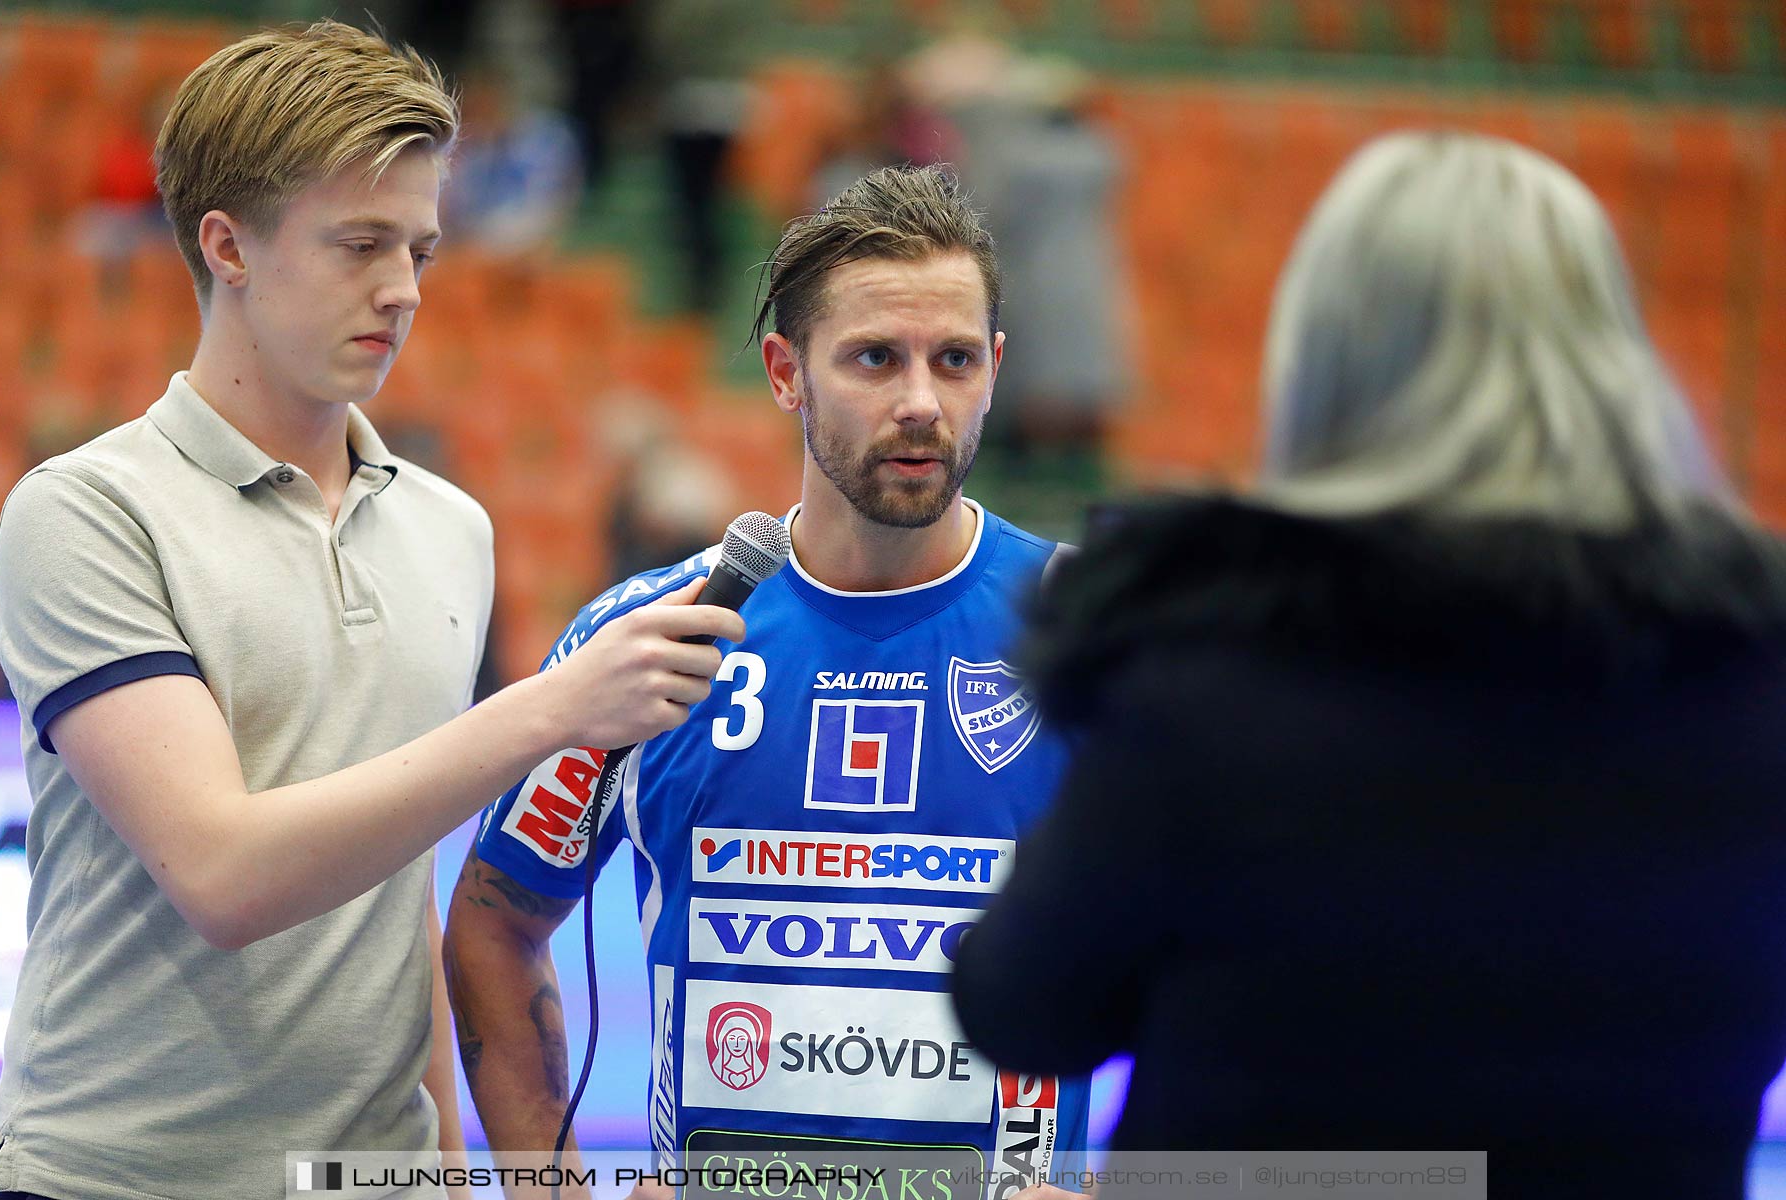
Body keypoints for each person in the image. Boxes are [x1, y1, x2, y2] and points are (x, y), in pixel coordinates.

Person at [950, 131, 1786, 1199]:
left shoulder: (1209, 675)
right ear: (1613, 347)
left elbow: (1026, 1006)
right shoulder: (1753, 678)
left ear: (1329, 354)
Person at [0, 21, 738, 1200]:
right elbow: (225, 878)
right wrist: (548, 710)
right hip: (118, 1177)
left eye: (420, 251)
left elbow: (389, 901)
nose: (401, 289)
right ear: (226, 245)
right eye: (358, 245)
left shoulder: (453, 530)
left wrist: (443, 1169)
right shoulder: (82, 513)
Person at [445, 165, 1092, 1197]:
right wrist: (550, 1188)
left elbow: (1246, 928)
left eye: (956, 359)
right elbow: (494, 920)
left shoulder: (1092, 634)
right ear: (786, 372)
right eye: (875, 358)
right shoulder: (649, 638)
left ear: (997, 368)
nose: (922, 402)